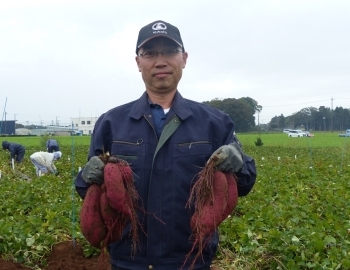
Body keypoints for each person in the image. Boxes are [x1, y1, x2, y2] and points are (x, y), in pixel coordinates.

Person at [75, 20, 257, 270]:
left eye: (169, 52)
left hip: (190, 260)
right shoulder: (111, 123)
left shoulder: (214, 123)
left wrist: (240, 164)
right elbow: (90, 192)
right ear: (138, 62)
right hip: (129, 260)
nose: (160, 61)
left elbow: (245, 183)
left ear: (184, 58)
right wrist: (87, 176)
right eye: (149, 53)